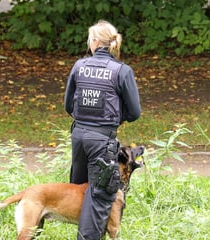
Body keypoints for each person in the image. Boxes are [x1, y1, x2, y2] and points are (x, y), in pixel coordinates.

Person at [64, 20, 141, 240]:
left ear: (96, 41)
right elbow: (134, 112)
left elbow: (68, 105)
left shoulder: (79, 66)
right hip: (102, 141)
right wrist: (114, 117)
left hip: (79, 138)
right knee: (98, 197)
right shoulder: (122, 71)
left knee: (82, 191)